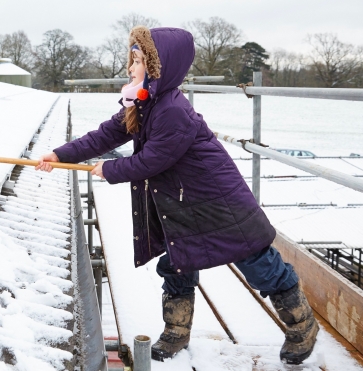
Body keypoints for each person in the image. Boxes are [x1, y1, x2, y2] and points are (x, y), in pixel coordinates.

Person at [36, 26, 318, 365]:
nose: (131, 68)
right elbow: (107, 134)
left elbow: (155, 158)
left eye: (138, 61)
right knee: (177, 261)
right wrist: (61, 154)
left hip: (217, 200)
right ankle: (177, 331)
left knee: (257, 262)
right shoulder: (143, 102)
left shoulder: (172, 109)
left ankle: (303, 326)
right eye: (132, 60)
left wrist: (110, 170)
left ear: (158, 67)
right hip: (183, 201)